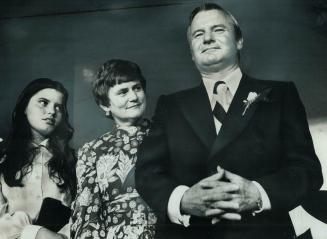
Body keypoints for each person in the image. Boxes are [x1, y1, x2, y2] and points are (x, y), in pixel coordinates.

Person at [135, 3, 323, 239]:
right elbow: (147, 173)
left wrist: (259, 194)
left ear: (239, 41)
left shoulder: (281, 94)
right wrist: (182, 199)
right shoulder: (170, 105)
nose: (208, 39)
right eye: (198, 34)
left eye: (218, 30)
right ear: (192, 53)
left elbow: (307, 170)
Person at [71, 59, 157, 239]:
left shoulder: (170, 134)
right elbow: (88, 215)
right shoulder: (92, 152)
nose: (133, 97)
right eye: (123, 92)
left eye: (137, 88)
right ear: (105, 104)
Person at [0, 78, 76, 239]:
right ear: (24, 107)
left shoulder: (73, 161)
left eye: (59, 107)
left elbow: (81, 216)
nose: (51, 111)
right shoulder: (2, 156)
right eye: (43, 102)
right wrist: (34, 233)